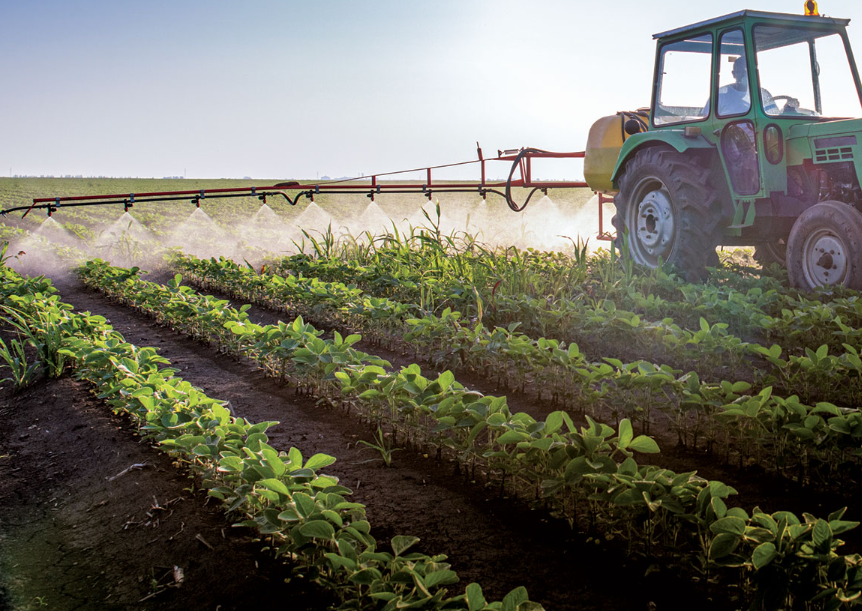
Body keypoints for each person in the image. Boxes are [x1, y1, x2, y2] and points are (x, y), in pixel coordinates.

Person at [703, 56, 783, 116]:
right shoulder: (719, 96)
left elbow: (774, 116)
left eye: (748, 72)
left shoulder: (763, 95)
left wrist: (788, 109)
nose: (745, 75)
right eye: (741, 72)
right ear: (734, 74)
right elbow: (707, 121)